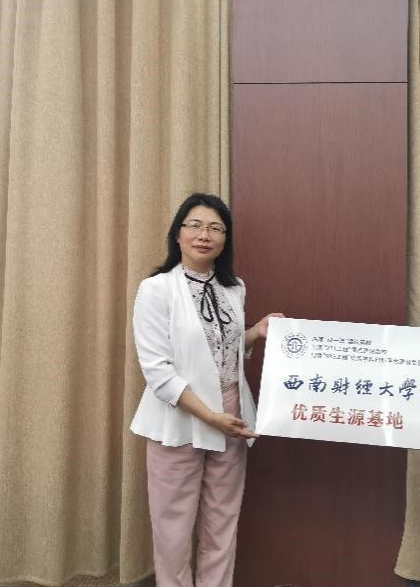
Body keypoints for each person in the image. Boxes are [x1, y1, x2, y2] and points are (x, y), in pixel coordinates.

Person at [130, 193, 282, 587]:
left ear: (225, 239)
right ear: (177, 234)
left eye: (216, 228)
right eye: (195, 225)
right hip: (179, 418)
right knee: (173, 527)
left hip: (232, 412)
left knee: (223, 520)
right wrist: (210, 417)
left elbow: (220, 351)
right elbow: (157, 370)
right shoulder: (156, 289)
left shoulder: (235, 288)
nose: (204, 235)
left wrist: (255, 332)